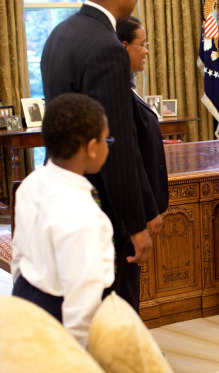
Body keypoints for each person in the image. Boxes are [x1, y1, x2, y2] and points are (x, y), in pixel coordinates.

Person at [41, 0, 153, 312]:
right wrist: (135, 224)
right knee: (113, 309)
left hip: (63, 190)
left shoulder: (59, 34)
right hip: (101, 204)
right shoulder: (107, 46)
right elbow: (116, 143)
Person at [11, 93, 114, 347]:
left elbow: (18, 255)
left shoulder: (31, 183)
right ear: (91, 148)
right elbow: (82, 305)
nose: (108, 145)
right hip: (60, 314)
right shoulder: (85, 216)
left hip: (25, 294)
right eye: (106, 139)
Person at [117, 16, 168, 235]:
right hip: (134, 211)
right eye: (143, 44)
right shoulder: (116, 93)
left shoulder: (127, 85)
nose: (147, 51)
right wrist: (148, 210)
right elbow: (130, 158)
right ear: (124, 46)